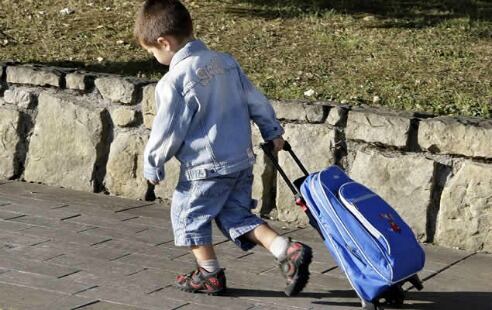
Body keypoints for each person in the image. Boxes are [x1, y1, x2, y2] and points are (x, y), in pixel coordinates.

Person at [134, 0, 312, 296]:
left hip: (205, 168)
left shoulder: (173, 81)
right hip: (241, 161)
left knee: (187, 217)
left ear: (164, 42)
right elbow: (254, 99)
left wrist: (154, 164)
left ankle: (210, 274)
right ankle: (286, 250)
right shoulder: (226, 62)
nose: (154, 57)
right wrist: (272, 131)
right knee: (236, 216)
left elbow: (168, 130)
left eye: (152, 51)